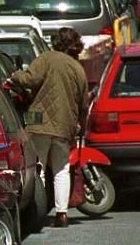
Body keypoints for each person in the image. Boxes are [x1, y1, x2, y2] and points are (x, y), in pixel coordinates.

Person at [7, 26, 89, 228]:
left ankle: (38, 212)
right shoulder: (78, 68)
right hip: (65, 125)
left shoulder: (47, 58)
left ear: (56, 42)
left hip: (39, 122)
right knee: (62, 169)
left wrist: (15, 75)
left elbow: (30, 79)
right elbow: (83, 104)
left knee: (38, 168)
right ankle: (62, 213)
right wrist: (82, 126)